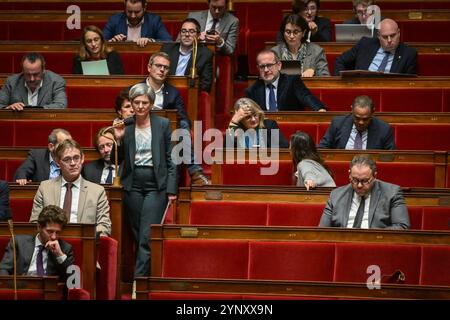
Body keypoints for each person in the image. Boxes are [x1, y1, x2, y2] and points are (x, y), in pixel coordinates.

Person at [114, 83, 177, 277]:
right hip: (132, 183)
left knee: (147, 234)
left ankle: (138, 283)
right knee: (138, 232)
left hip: (155, 183)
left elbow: (171, 158)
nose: (140, 106)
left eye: (145, 102)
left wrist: (171, 189)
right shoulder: (126, 126)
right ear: (131, 104)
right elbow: (118, 159)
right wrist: (118, 140)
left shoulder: (163, 125)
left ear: (151, 104)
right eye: (136, 102)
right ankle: (149, 275)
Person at [144, 52, 210, 185]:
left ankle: (194, 171)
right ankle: (194, 170)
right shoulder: (136, 89)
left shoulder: (173, 93)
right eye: (158, 66)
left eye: (166, 67)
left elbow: (184, 118)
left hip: (166, 131)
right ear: (149, 67)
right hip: (141, 127)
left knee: (184, 126)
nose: (162, 70)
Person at [29, 139, 112, 237]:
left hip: (84, 244)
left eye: (76, 158)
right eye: (67, 159)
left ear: (82, 159)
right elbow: (35, 223)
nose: (73, 163)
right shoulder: (45, 188)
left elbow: (104, 226)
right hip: (50, 243)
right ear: (58, 162)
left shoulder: (97, 191)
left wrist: (85, 238)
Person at [319, 154, 410, 229]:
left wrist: (369, 236)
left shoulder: (392, 193)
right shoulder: (336, 195)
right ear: (349, 174)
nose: (359, 185)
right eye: (355, 180)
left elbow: (402, 227)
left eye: (365, 181)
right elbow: (322, 230)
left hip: (375, 246)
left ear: (375, 176)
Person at [0, 205, 75, 280]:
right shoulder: (18, 242)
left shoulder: (65, 248)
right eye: (50, 231)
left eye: (58, 232)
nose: (54, 237)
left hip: (49, 290)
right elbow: (4, 269)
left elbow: (73, 281)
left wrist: (59, 255)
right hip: (22, 288)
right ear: (39, 227)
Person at [245, 49, 327, 111]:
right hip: (266, 131)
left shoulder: (292, 81)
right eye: (262, 67)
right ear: (258, 69)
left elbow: (306, 97)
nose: (266, 70)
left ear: (279, 65)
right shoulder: (252, 90)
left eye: (269, 65)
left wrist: (319, 109)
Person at [334, 18, 417, 75]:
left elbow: (408, 83)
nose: (389, 40)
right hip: (361, 88)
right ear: (378, 36)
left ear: (399, 33)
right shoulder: (365, 44)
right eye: (385, 37)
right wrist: (342, 83)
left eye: (392, 36)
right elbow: (340, 60)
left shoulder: (408, 54)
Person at [319, 95, 396, 150]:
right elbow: (323, 148)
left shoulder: (384, 129)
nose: (361, 122)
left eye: (365, 119)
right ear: (351, 110)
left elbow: (390, 156)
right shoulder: (338, 123)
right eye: (357, 118)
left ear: (373, 113)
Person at [161, 18, 214, 92]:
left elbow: (205, 85)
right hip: (166, 91)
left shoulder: (205, 54)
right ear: (180, 34)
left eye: (191, 32)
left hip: (190, 93)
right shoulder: (167, 49)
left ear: (198, 35)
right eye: (184, 31)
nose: (187, 34)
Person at [0, 52, 67, 110]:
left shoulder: (56, 81)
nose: (32, 79)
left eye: (36, 74)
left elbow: (61, 105)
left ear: (43, 70)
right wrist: (8, 108)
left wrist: (36, 111)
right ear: (23, 71)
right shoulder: (11, 82)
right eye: (28, 74)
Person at [103, 0, 172, 47]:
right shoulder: (114, 20)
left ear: (144, 7)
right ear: (125, 6)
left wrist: (150, 41)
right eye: (129, 11)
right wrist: (111, 41)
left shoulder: (154, 20)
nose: (133, 16)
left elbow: (168, 41)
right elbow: (101, 41)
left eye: (137, 12)